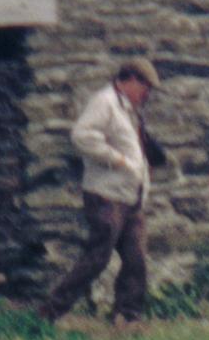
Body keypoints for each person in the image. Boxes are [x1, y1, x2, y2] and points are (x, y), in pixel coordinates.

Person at [41, 55, 163, 324]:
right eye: (145, 87)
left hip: (130, 196)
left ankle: (128, 315)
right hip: (106, 196)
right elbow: (82, 135)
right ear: (130, 80)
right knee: (98, 256)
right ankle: (51, 310)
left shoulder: (128, 109)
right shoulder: (105, 102)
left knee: (136, 258)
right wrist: (116, 159)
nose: (147, 94)